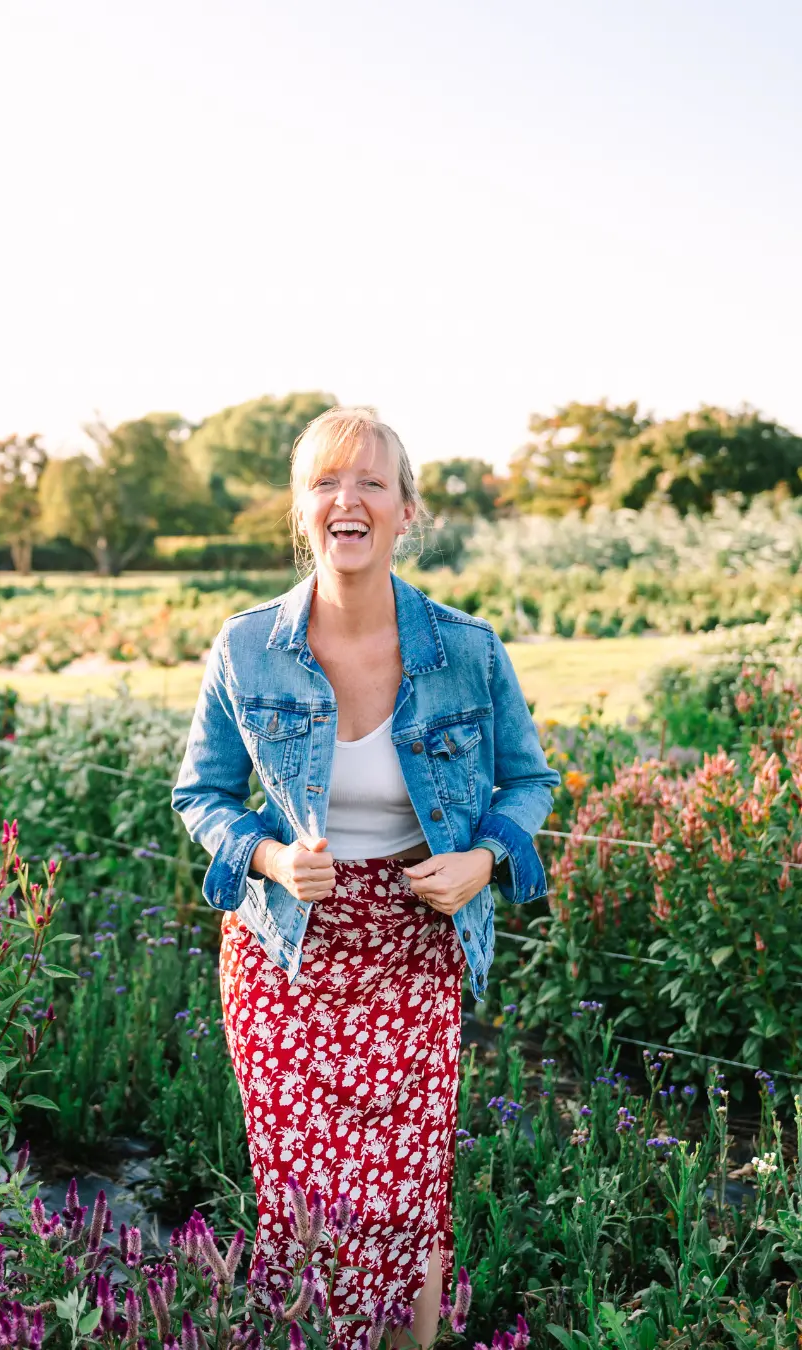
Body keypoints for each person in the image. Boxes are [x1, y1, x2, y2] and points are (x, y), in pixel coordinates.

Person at [171, 406, 560, 1348]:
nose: (348, 499)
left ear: (405, 510)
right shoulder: (248, 645)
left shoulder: (465, 649)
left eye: (371, 483)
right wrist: (268, 856)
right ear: (302, 511)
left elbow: (530, 780)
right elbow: (201, 794)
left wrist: (484, 858)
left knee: (409, 1188)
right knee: (304, 1200)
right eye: (325, 483)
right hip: (286, 955)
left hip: (413, 943)